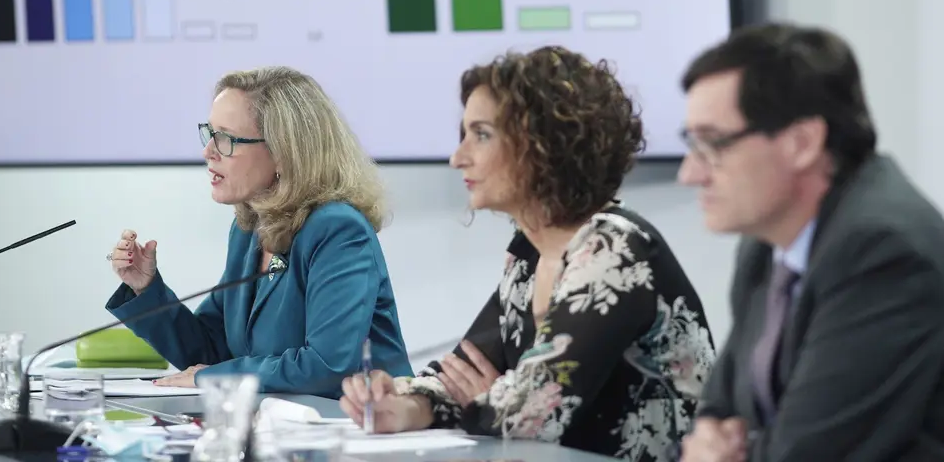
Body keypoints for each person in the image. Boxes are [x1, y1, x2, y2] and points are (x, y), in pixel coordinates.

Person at [340, 46, 716, 460]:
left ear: (545, 144)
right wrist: (402, 405)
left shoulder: (613, 248)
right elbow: (462, 373)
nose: (457, 157)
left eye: (481, 135)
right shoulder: (528, 256)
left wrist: (492, 399)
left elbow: (535, 412)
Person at [676, 22, 944, 461]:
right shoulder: (766, 242)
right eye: (691, 144)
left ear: (802, 143)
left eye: (713, 144)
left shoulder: (882, 251)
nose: (690, 173)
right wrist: (708, 435)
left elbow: (808, 453)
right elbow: (723, 402)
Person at [104, 66, 413, 398]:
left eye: (226, 139)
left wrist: (209, 376)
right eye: (210, 134)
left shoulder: (337, 230)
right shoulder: (248, 230)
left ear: (283, 152)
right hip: (281, 423)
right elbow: (212, 354)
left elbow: (327, 367)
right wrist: (146, 289)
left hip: (362, 422)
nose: (208, 152)